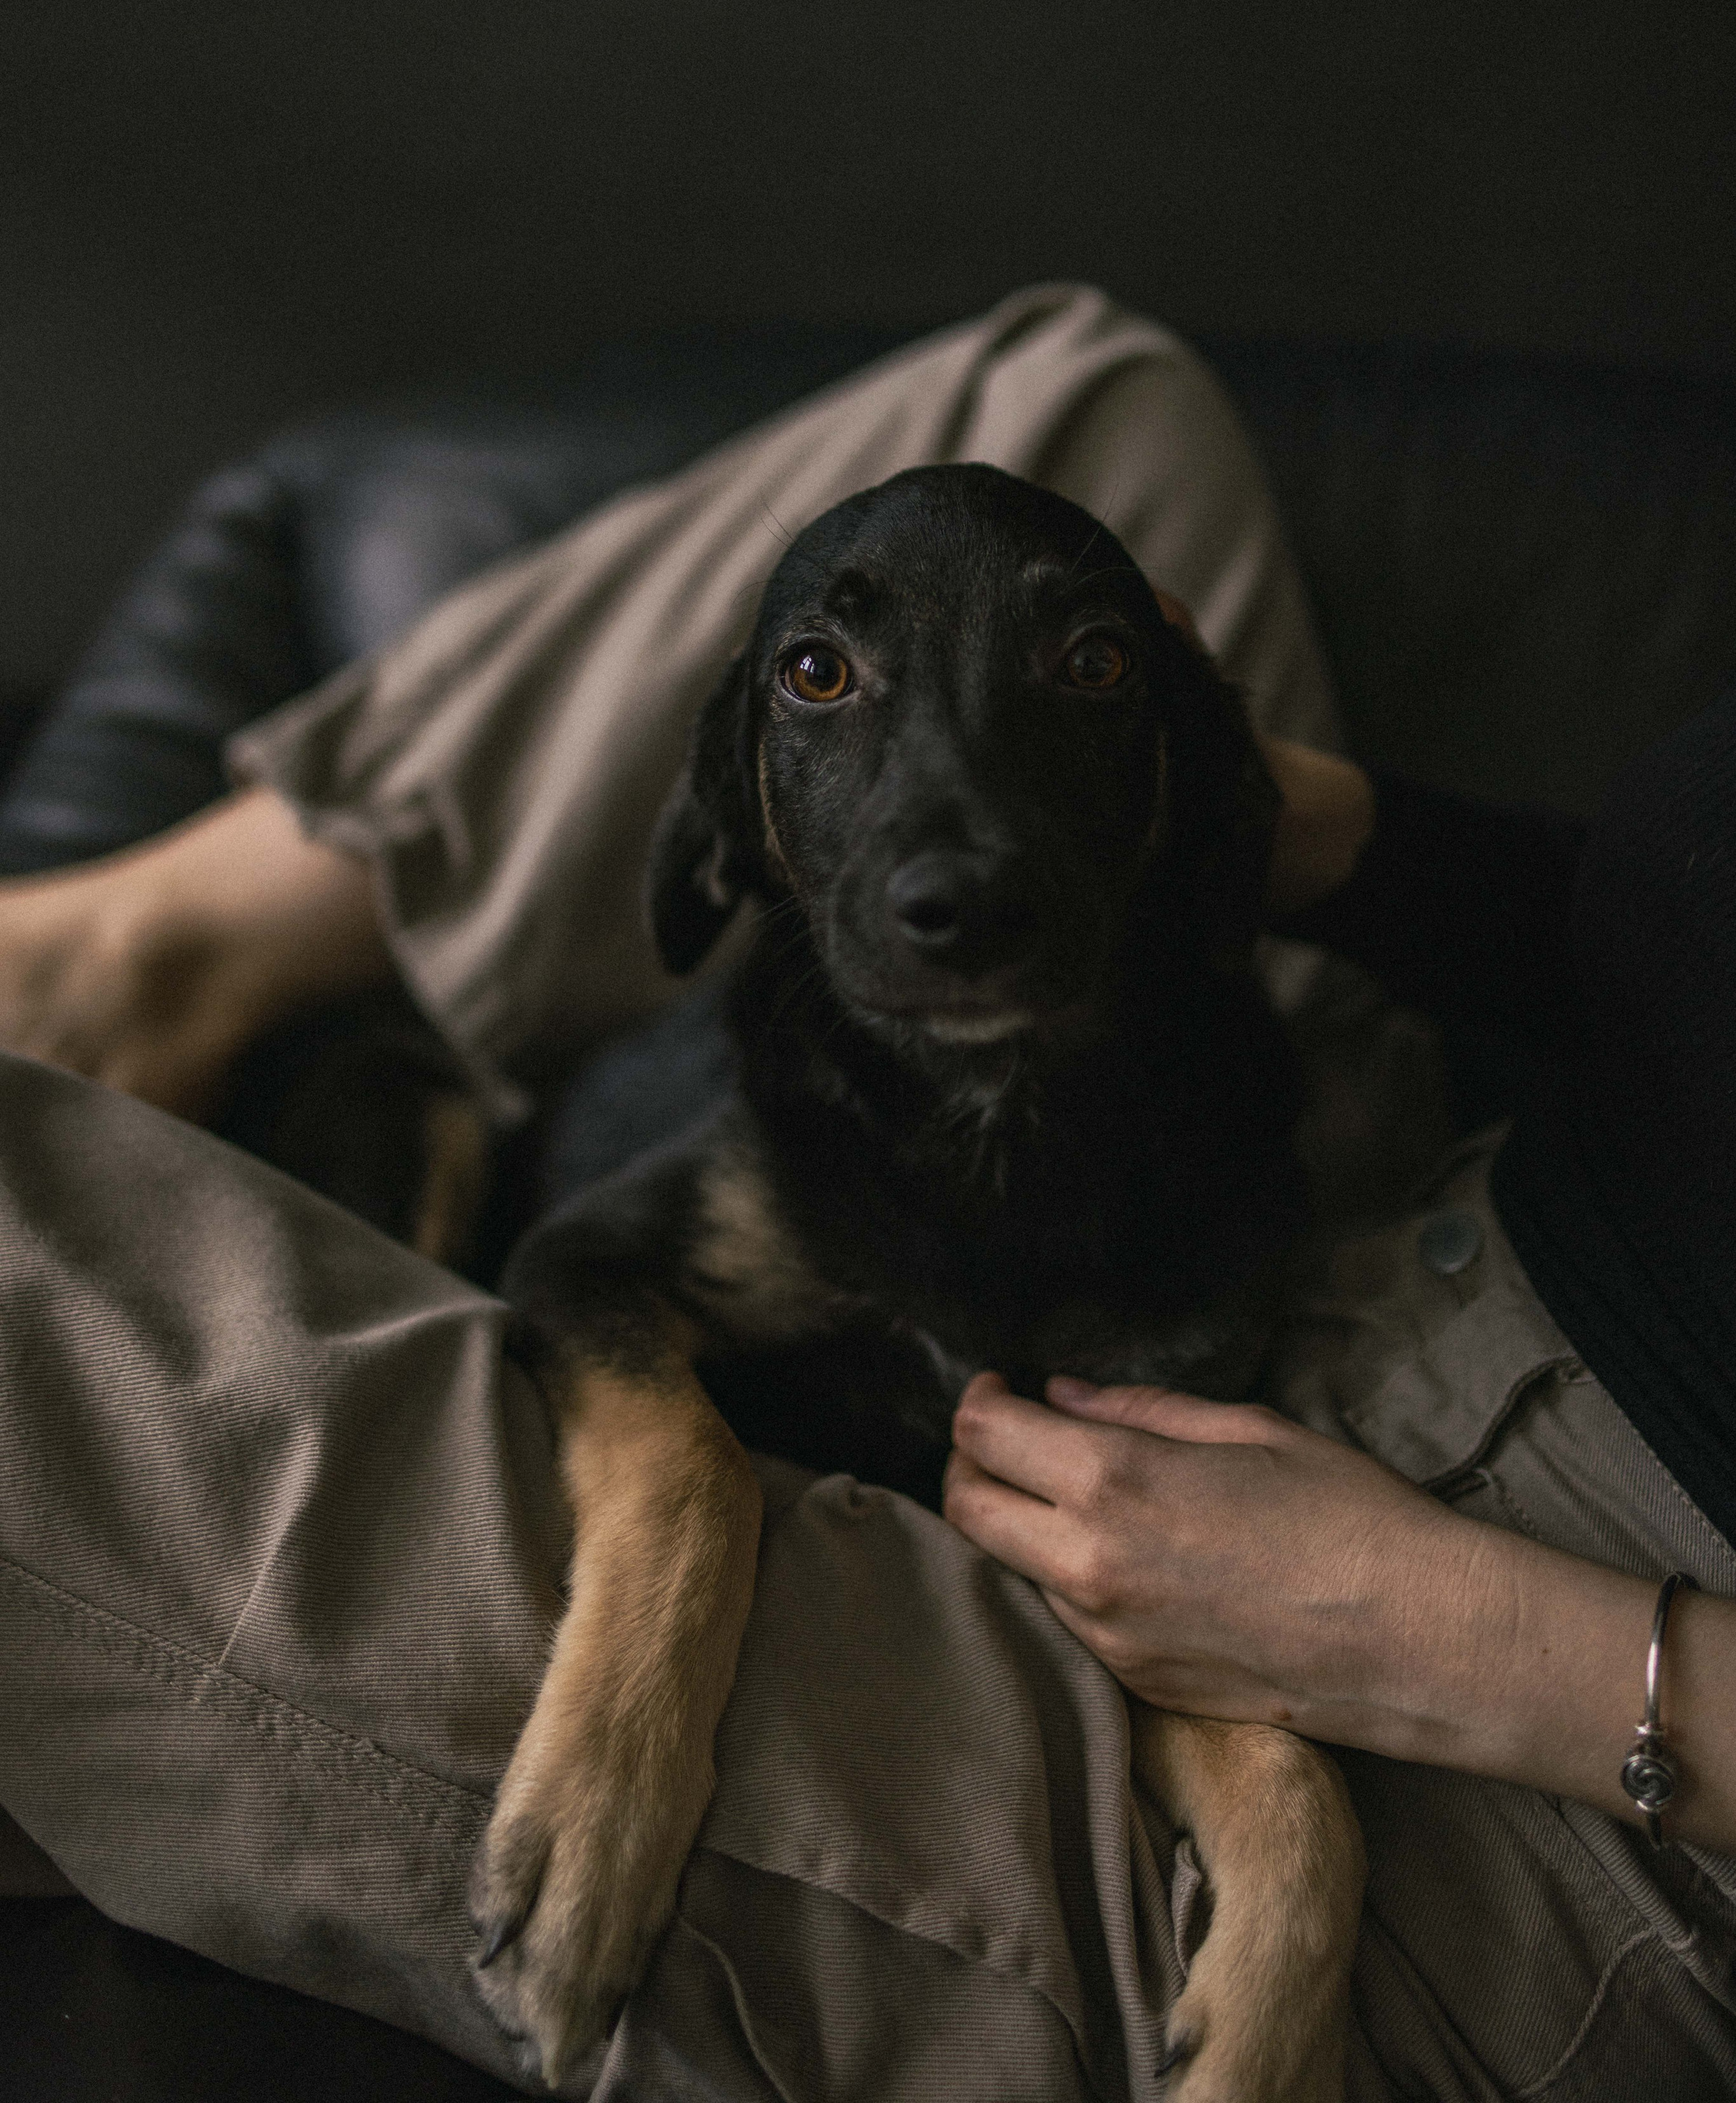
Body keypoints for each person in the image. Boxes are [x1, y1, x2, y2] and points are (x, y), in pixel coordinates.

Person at [0, 285, 1732, 2099]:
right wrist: (1306, 829)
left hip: (1558, 1712)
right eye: (816, 690)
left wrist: (1471, 1644)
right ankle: (138, 954)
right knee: (1082, 391)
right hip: (1432, 1136)